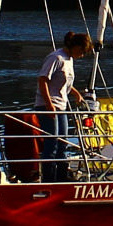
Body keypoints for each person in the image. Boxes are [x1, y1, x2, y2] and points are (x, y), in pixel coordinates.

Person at [34, 31, 94, 181]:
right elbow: (43, 80)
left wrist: (75, 93)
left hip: (61, 106)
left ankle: (61, 177)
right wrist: (48, 105)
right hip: (47, 105)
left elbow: (64, 81)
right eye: (82, 52)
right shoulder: (56, 57)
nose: (82, 56)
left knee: (63, 142)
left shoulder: (69, 59)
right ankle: (49, 179)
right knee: (51, 143)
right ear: (77, 47)